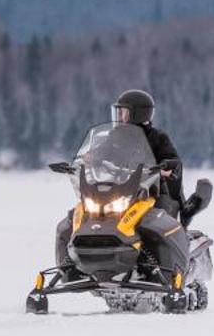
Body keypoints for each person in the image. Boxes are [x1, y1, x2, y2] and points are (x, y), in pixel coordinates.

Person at [49, 89, 189, 279]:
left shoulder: (157, 138)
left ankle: (165, 270)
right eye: (119, 111)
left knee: (154, 223)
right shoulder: (115, 136)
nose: (120, 115)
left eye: (123, 111)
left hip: (150, 191)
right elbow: (98, 153)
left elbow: (173, 160)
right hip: (120, 189)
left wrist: (166, 168)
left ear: (137, 113)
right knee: (72, 220)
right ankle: (70, 267)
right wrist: (86, 160)